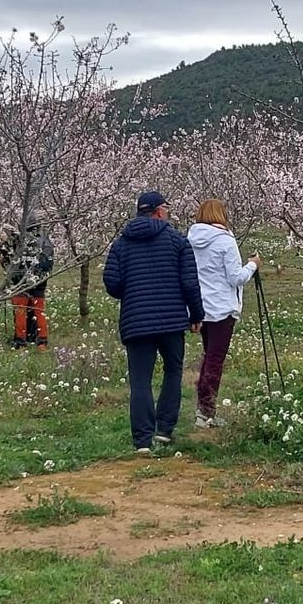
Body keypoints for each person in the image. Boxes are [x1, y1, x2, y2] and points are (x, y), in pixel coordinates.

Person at [103, 191, 203, 454]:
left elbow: (112, 283)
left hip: (136, 320)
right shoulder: (176, 240)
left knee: (140, 380)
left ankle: (142, 440)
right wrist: (196, 316)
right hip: (171, 320)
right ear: (159, 211)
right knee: (173, 371)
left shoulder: (121, 244)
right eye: (166, 208)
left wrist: (134, 289)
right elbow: (190, 283)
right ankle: (165, 430)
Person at [187, 199, 258, 428]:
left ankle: (203, 409)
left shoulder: (190, 240)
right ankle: (206, 412)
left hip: (201, 307)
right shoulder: (225, 241)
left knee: (208, 356)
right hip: (222, 308)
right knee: (215, 360)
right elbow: (235, 277)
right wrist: (253, 265)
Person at [2, 223, 55, 349]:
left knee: (20, 311)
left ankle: (20, 341)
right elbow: (50, 261)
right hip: (40, 282)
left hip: (20, 281)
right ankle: (42, 341)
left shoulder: (19, 240)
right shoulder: (46, 241)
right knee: (39, 312)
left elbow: (10, 260)